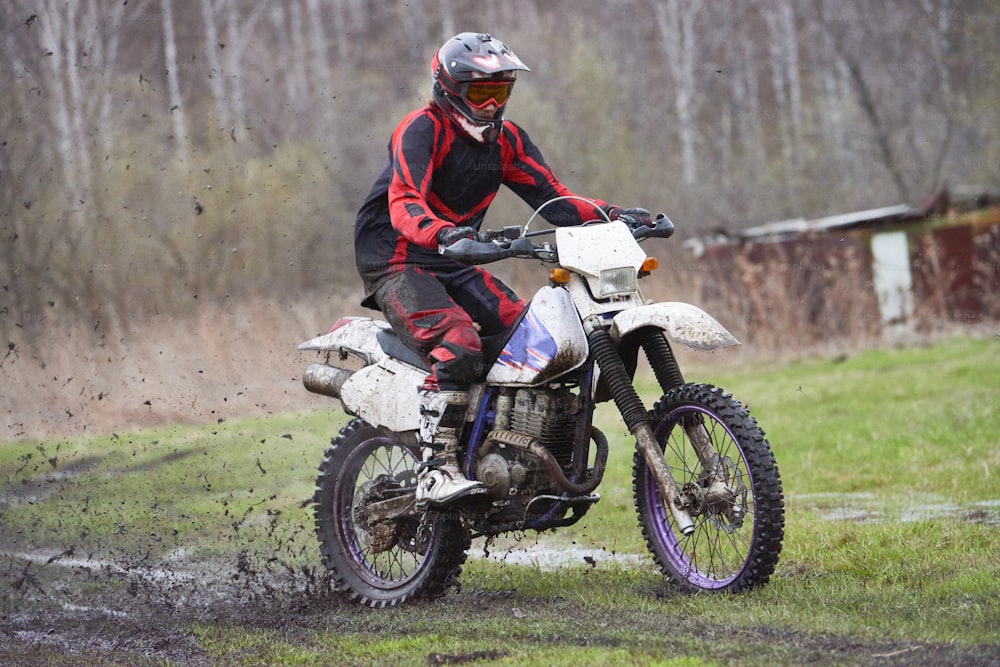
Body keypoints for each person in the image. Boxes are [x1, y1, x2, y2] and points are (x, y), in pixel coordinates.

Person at [353, 32, 651, 507]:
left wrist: (618, 216)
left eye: (501, 91)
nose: (492, 104)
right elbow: (405, 203)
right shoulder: (421, 129)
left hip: (458, 254)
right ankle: (439, 466)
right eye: (480, 92)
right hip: (398, 258)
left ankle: (509, 450)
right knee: (458, 342)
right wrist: (446, 233)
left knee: (536, 342)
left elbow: (557, 201)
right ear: (449, 88)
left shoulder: (507, 141)